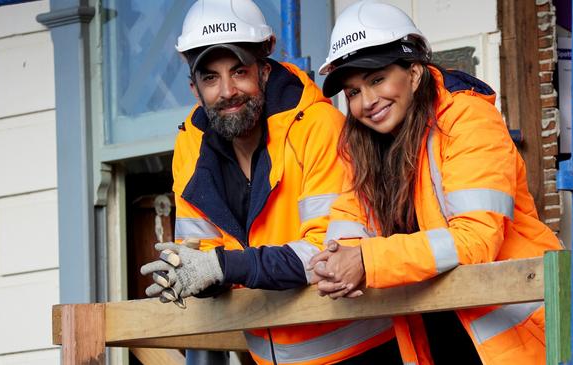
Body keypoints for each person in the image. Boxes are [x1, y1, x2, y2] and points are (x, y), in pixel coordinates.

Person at [307, 1, 573, 364]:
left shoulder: (467, 118)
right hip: (440, 340)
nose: (367, 101)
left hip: (528, 343)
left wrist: (366, 262)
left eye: (376, 79)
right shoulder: (365, 148)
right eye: (353, 92)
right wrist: (336, 263)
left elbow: (474, 240)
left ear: (415, 73)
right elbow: (346, 234)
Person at [139, 0, 396, 364]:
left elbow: (330, 254)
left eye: (239, 71)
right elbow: (202, 253)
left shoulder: (319, 127)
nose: (227, 91)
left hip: (365, 351)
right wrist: (186, 272)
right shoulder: (189, 146)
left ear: (263, 68)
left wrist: (222, 266)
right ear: (194, 89)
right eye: (210, 77)